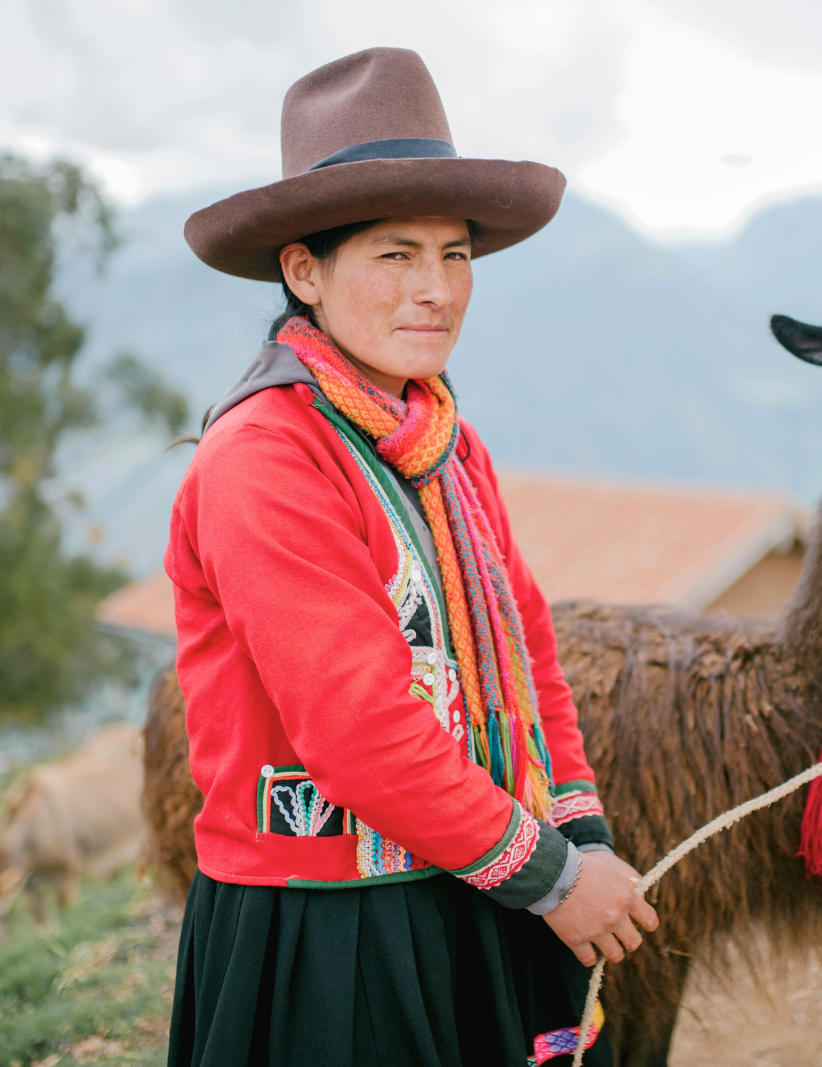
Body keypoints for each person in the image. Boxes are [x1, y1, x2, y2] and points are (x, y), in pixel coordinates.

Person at [165, 47, 657, 1067]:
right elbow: (360, 730)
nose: (435, 290)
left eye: (455, 255)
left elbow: (529, 652)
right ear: (304, 271)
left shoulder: (444, 443)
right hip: (330, 928)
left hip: (477, 874)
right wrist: (556, 878)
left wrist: (580, 833)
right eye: (394, 256)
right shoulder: (266, 456)